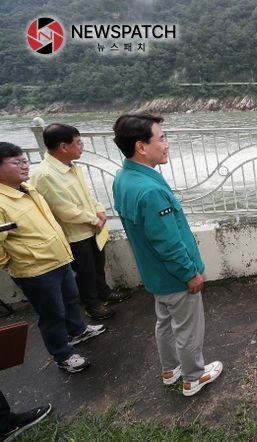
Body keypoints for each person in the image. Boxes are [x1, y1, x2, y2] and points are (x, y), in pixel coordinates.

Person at [111, 113, 222, 397]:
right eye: (161, 138)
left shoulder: (124, 179)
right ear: (141, 146)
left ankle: (170, 369)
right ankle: (194, 378)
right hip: (175, 277)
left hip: (155, 276)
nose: (167, 144)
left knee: (165, 323)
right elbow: (168, 243)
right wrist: (190, 273)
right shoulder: (149, 190)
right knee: (187, 330)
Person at [0, 142, 106, 373]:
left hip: (58, 257)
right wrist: (9, 260)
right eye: (16, 162)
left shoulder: (27, 189)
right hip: (34, 268)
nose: (24, 165)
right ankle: (62, 354)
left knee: (70, 298)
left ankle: (78, 330)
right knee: (52, 313)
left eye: (24, 160)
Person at [30, 124, 130, 321]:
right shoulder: (45, 175)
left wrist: (99, 210)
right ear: (63, 147)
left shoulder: (71, 166)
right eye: (78, 142)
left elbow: (86, 193)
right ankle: (92, 305)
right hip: (74, 233)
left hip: (92, 228)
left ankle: (104, 293)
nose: (82, 146)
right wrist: (94, 219)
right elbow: (63, 209)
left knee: (97, 265)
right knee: (85, 271)